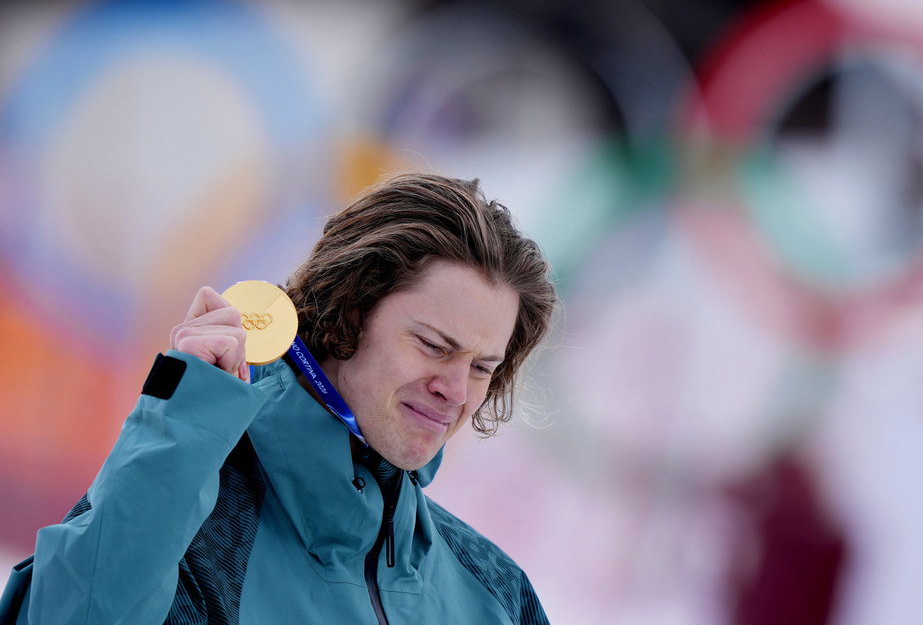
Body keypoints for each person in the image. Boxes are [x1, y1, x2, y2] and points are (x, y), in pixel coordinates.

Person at [1, 173, 558, 624]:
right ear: (351, 312)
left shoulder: (497, 591)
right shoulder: (193, 541)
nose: (455, 391)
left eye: (482, 368)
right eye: (434, 346)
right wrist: (182, 427)